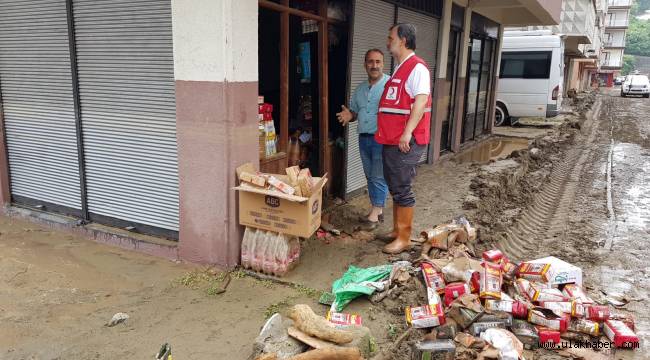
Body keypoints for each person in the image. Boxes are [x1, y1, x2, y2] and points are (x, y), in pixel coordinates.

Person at [375, 23, 432, 254]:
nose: (388, 42)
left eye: (391, 38)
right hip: (392, 139)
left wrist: (407, 132)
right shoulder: (401, 67)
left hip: (406, 140)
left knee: (402, 186)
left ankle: (405, 238)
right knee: (394, 184)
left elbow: (420, 102)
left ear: (404, 41)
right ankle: (397, 230)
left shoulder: (418, 68)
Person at [336, 49, 390, 227]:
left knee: (378, 175)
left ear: (383, 63)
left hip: (383, 139)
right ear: (365, 64)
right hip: (364, 138)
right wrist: (349, 115)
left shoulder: (390, 85)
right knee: (370, 175)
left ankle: (374, 214)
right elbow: (355, 112)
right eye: (370, 62)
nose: (374, 65)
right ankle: (379, 210)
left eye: (378, 62)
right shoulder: (359, 89)